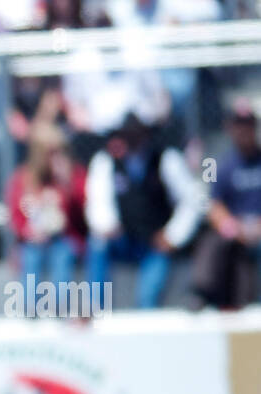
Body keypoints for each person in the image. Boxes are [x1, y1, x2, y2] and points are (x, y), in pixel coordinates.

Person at [84, 113, 201, 310]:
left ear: (145, 135)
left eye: (133, 134)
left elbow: (192, 200)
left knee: (147, 300)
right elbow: (96, 201)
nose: (129, 139)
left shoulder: (165, 159)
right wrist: (107, 225)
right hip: (123, 240)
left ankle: (147, 313)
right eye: (125, 134)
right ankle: (95, 308)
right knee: (97, 244)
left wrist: (173, 235)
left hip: (153, 243)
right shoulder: (107, 161)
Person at [191, 97, 261, 309]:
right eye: (238, 125)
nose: (243, 130)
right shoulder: (221, 165)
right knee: (216, 241)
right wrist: (232, 226)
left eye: (247, 125)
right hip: (236, 229)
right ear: (230, 128)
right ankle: (202, 292)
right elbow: (214, 205)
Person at [7, 124, 86, 300]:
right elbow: (16, 215)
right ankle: (29, 308)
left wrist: (66, 184)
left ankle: (58, 306)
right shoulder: (23, 178)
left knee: (63, 254)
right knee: (31, 256)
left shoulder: (74, 175)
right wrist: (28, 232)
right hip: (32, 241)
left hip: (64, 238)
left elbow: (80, 214)